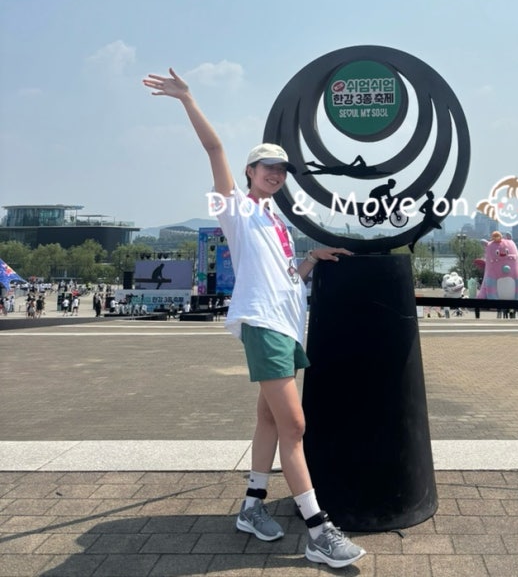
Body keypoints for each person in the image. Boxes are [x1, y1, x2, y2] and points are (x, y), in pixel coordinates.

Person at [143, 67, 366, 569]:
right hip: (263, 324)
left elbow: (286, 275)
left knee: (269, 419)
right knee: (295, 426)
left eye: (282, 170)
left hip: (287, 325)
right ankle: (319, 530)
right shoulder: (237, 209)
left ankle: (252, 506)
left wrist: (312, 259)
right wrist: (187, 99)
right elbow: (214, 148)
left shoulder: (275, 220)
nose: (276, 174)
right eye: (267, 167)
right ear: (250, 171)